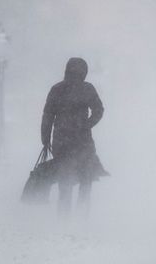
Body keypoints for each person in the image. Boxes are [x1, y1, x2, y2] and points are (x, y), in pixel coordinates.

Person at [41, 57, 107, 216]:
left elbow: (47, 116)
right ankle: (82, 216)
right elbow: (99, 110)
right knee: (85, 179)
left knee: (65, 181)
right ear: (84, 72)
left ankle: (64, 219)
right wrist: (87, 124)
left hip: (61, 142)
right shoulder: (87, 89)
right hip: (82, 141)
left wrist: (45, 139)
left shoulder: (57, 89)